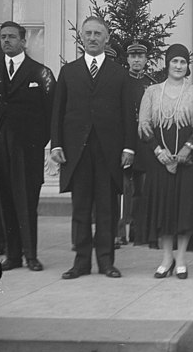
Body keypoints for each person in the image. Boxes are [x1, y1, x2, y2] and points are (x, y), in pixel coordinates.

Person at [50, 16, 138, 279]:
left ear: (107, 38)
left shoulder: (119, 74)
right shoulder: (69, 71)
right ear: (81, 37)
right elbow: (58, 112)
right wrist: (56, 144)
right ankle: (81, 263)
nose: (92, 38)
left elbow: (127, 116)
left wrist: (129, 148)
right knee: (80, 208)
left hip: (108, 151)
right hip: (77, 151)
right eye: (87, 33)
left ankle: (106, 262)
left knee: (107, 208)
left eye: (98, 33)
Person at [136, 43, 193, 278]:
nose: (179, 66)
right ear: (167, 63)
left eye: (183, 62)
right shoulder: (151, 91)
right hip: (159, 160)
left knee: (184, 211)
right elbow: (144, 126)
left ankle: (181, 258)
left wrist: (186, 150)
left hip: (188, 161)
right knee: (163, 210)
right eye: (175, 61)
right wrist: (159, 152)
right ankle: (166, 258)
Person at [0, 21, 56, 272]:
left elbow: (51, 113)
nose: (6, 41)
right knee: (5, 201)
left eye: (12, 37)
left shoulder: (40, 72)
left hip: (28, 149)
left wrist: (38, 143)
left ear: (23, 41)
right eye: (3, 37)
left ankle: (31, 255)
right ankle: (12, 256)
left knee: (27, 201)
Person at [115, 40, 159, 248]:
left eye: (140, 57)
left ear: (146, 59)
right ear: (128, 59)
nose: (136, 60)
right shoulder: (120, 81)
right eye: (133, 57)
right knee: (123, 188)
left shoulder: (151, 84)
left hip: (144, 142)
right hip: (124, 139)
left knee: (141, 189)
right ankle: (119, 232)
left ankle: (137, 231)